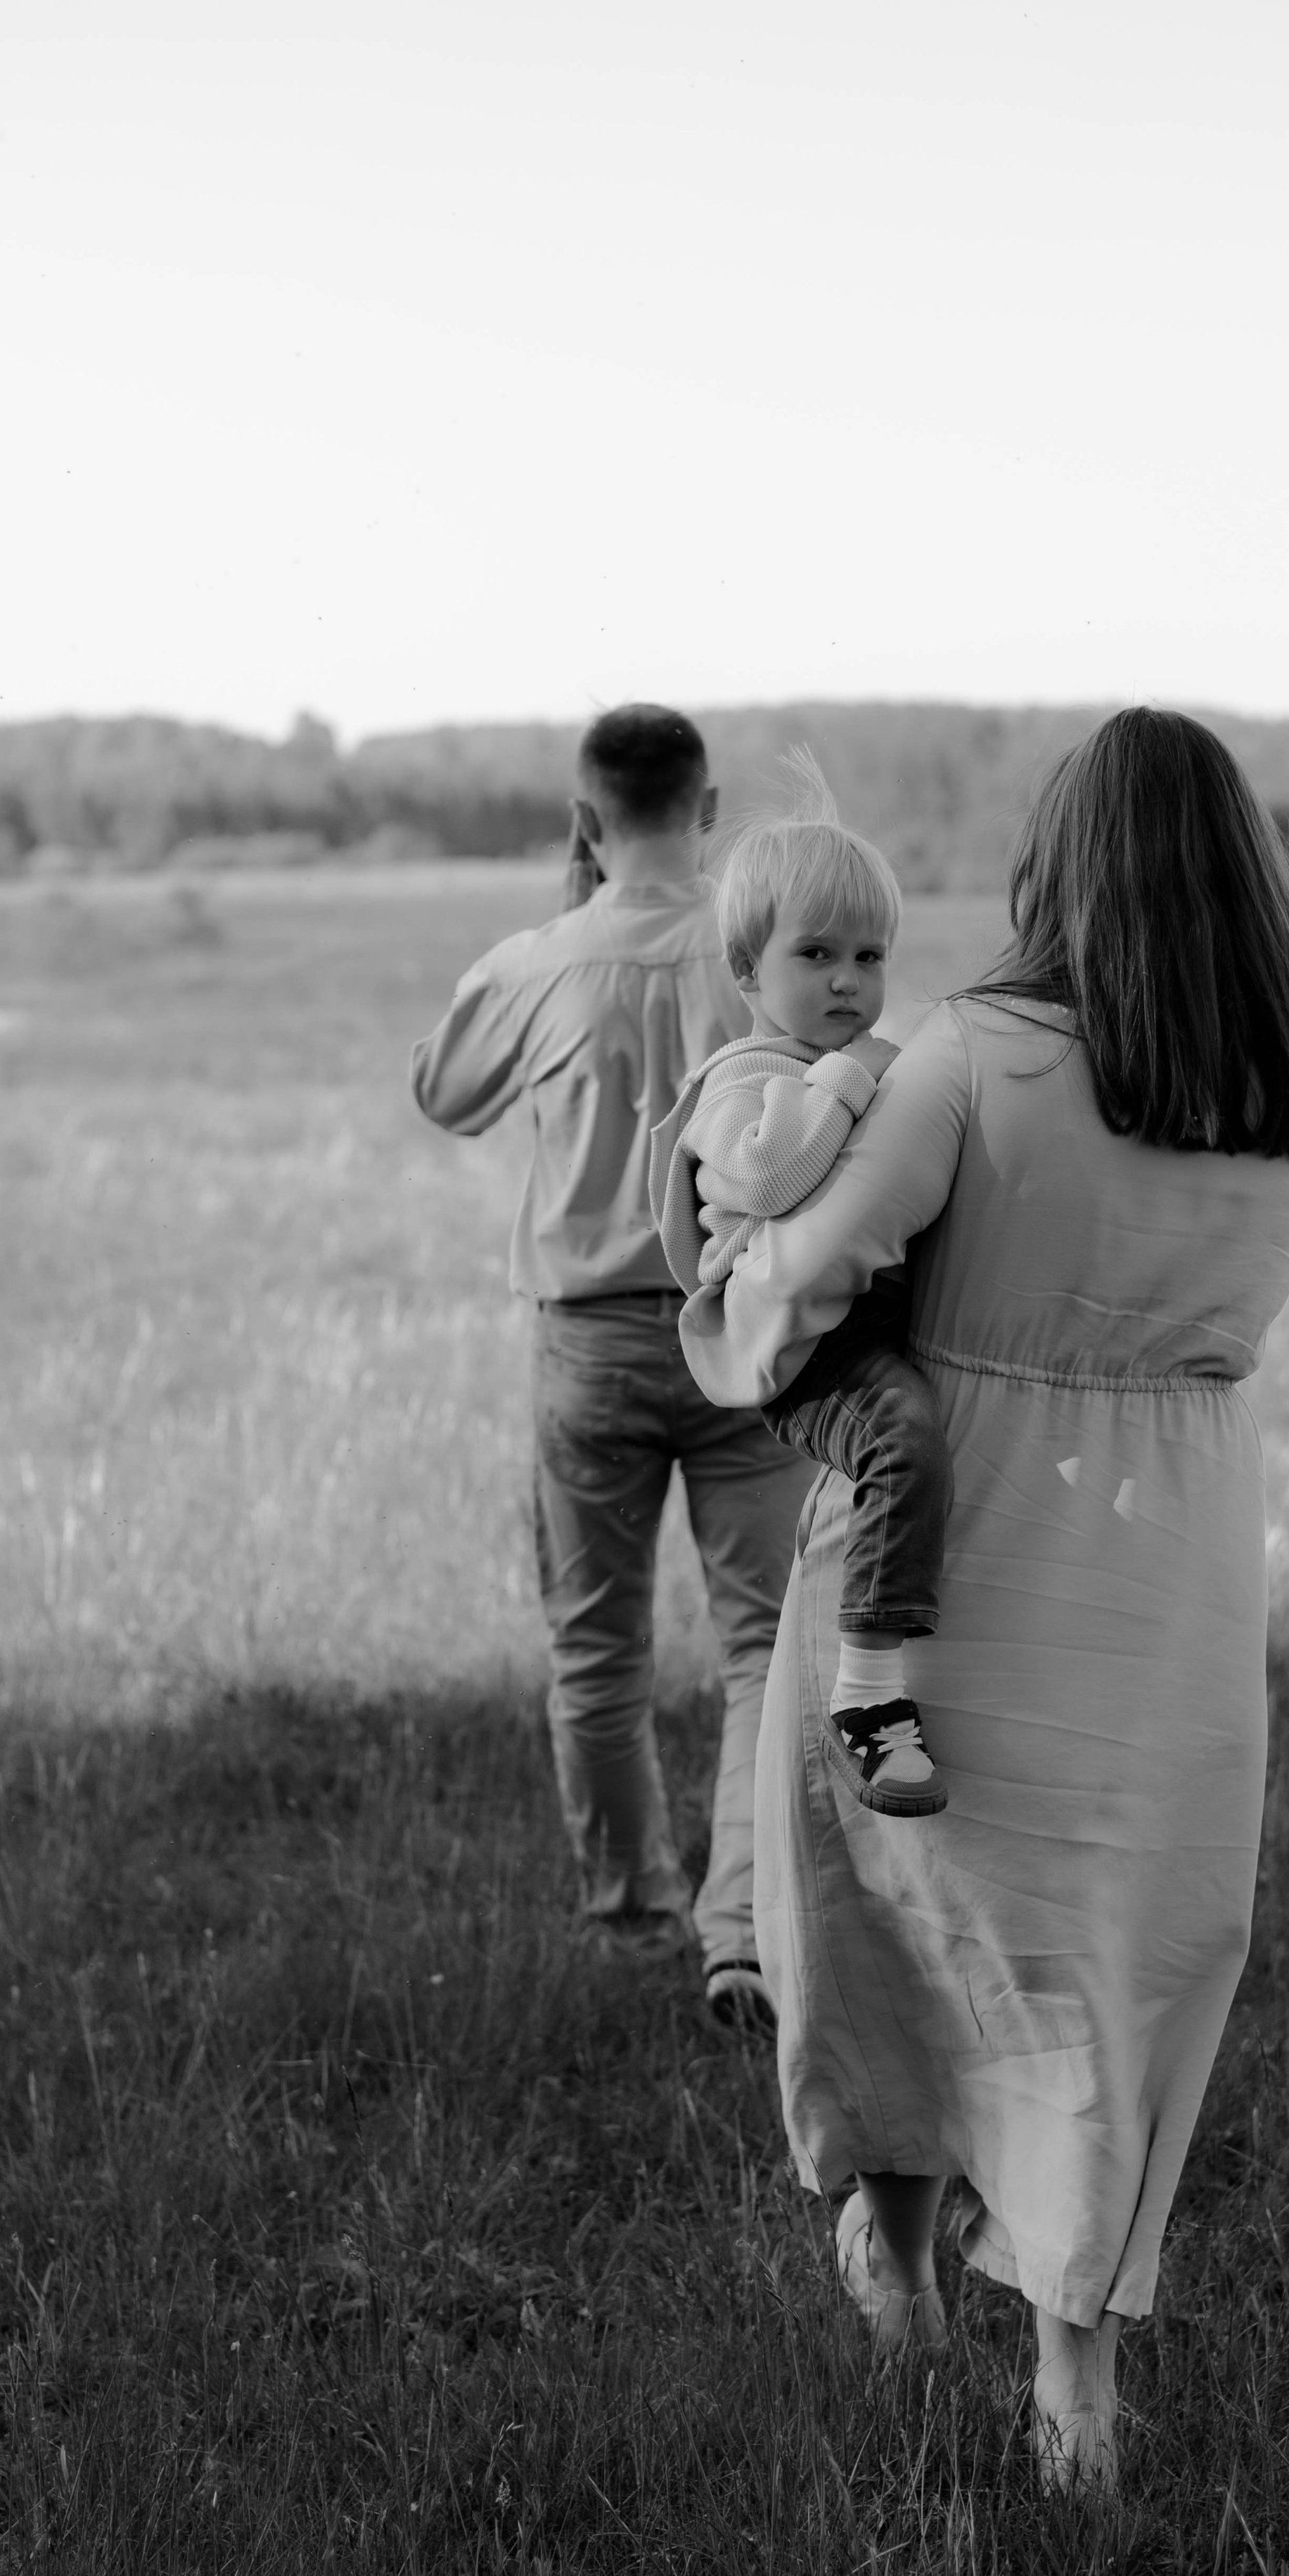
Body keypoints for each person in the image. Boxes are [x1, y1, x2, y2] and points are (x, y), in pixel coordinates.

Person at [682, 708, 1289, 2483]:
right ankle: (1073, 2369)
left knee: (899, 1913)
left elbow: (804, 1278)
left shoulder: (974, 1055)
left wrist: (735, 1301)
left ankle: (895, 2262)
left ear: (1057, 871)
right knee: (1108, 1957)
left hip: (953, 1552)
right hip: (1168, 1577)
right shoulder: (1287, 1093)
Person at [411, 704, 814, 2028]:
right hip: (738, 1323)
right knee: (765, 1638)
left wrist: (563, 922)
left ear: (587, 822)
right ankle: (744, 1926)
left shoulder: (538, 961)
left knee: (595, 1643)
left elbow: (443, 1089)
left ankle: (633, 1908)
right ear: (705, 813)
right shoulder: (765, 948)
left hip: (586, 1340)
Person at [650, 754, 952, 1813]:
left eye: (869, 956)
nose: (847, 982)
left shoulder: (844, 1063)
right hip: (805, 1349)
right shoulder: (747, 1083)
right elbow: (773, 1174)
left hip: (856, 1311)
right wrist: (848, 1077)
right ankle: (870, 1696)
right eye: (815, 954)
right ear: (746, 972)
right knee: (900, 1432)